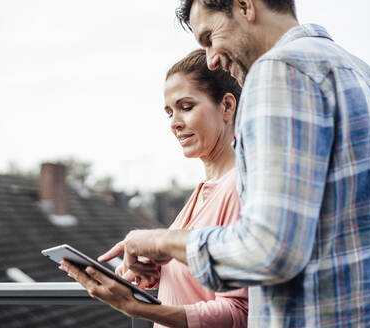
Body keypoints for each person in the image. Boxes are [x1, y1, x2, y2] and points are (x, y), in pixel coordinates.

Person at [97, 0, 370, 326]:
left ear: (245, 6)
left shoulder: (277, 72)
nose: (211, 59)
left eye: (210, 37)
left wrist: (160, 242)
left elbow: (269, 249)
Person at [60, 49, 248, 328]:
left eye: (186, 107)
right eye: (170, 112)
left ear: (227, 106)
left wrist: (136, 307)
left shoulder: (236, 188)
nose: (174, 123)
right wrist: (155, 270)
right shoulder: (200, 193)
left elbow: (238, 313)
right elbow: (197, 283)